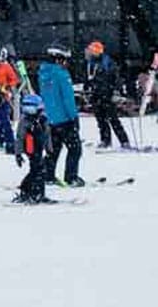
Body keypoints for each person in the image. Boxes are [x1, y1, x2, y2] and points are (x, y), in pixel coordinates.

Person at [39, 47, 84, 187]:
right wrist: (74, 117)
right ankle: (71, 177)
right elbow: (68, 99)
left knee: (53, 149)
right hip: (65, 118)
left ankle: (48, 175)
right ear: (59, 59)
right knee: (75, 148)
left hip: (51, 118)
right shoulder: (61, 74)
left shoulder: (43, 73)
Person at [85, 40, 130, 150]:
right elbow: (89, 79)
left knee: (113, 119)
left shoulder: (107, 62)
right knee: (101, 120)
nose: (89, 53)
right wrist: (87, 88)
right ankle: (105, 140)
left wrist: (115, 91)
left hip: (107, 95)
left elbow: (116, 78)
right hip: (96, 95)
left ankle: (124, 141)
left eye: (91, 51)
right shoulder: (90, 64)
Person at [13, 93, 50, 204]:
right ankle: (31, 192)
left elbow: (47, 135)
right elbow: (19, 138)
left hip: (39, 147)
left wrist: (49, 149)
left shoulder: (43, 119)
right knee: (38, 170)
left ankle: (35, 192)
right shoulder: (25, 122)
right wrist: (18, 154)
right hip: (31, 149)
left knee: (39, 170)